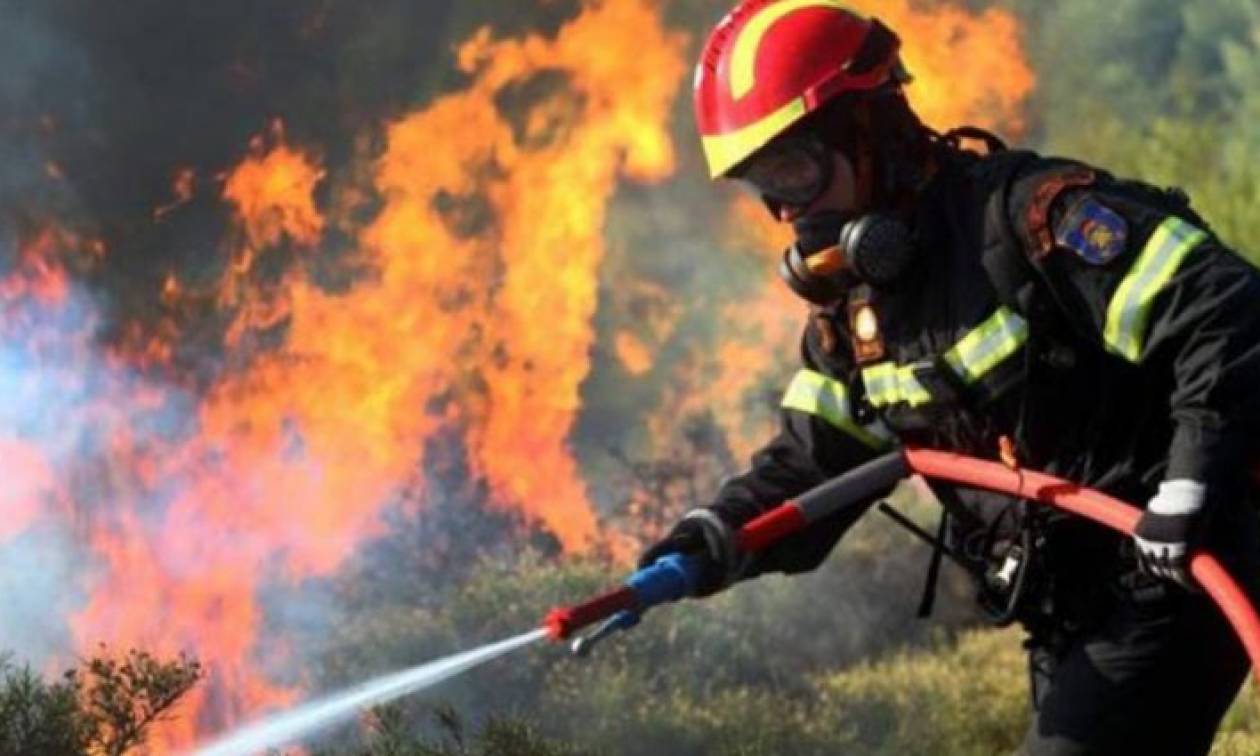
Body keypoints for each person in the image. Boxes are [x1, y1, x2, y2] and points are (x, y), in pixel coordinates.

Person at [639, 2, 1260, 754]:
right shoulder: (856, 320)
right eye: (761, 184)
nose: (784, 210)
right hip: (1073, 609)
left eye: (795, 169)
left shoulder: (1030, 222)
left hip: (1182, 559)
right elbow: (816, 458)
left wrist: (1188, 489)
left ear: (869, 128)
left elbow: (1226, 311)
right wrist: (710, 540)